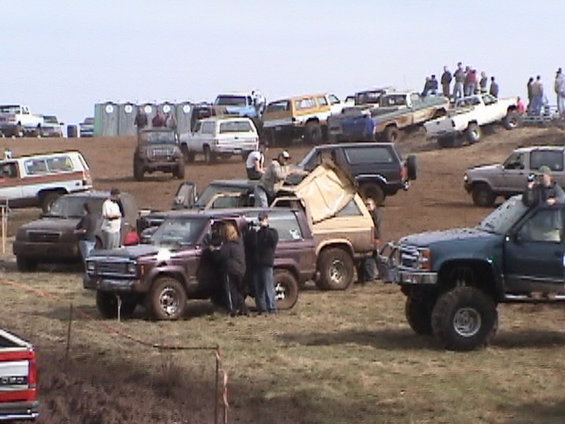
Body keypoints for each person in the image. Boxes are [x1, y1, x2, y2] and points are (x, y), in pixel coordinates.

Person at [250, 211, 279, 314]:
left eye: (263, 219)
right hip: (257, 264)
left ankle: (272, 307)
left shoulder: (273, 232)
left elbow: (271, 241)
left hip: (267, 264)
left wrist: (265, 227)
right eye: (260, 219)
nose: (261, 221)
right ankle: (262, 308)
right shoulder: (258, 234)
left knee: (268, 286)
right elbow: (254, 245)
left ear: (267, 219)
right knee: (259, 288)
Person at [219, 222, 247, 316]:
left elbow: (221, 256)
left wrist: (212, 251)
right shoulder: (239, 243)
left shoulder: (228, 245)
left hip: (231, 270)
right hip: (241, 269)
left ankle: (232, 310)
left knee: (231, 291)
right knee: (238, 291)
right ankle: (243, 309)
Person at [358, 197, 381, 283]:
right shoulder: (365, 215)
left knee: (373, 257)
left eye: (369, 205)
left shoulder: (375, 214)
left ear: (374, 206)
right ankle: (365, 277)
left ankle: (373, 275)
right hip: (366, 239)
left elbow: (376, 223)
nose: (366, 207)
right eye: (365, 205)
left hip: (374, 239)